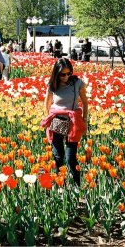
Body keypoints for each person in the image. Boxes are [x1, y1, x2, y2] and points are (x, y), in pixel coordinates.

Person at [41, 58, 88, 186]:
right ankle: (60, 184)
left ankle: (78, 185)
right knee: (58, 156)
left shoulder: (77, 83)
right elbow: (47, 102)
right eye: (62, 74)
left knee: (70, 157)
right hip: (57, 121)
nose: (66, 76)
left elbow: (84, 102)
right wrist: (48, 117)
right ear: (56, 73)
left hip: (73, 122)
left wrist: (85, 119)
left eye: (69, 73)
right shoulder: (52, 85)